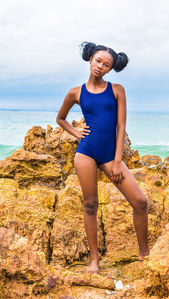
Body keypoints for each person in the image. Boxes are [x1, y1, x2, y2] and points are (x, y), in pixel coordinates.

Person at [56, 41, 150, 274]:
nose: (100, 66)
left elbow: (120, 125)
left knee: (140, 202)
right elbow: (61, 118)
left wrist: (117, 161)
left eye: (106, 65)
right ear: (90, 60)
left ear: (110, 69)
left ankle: (144, 254)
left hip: (110, 155)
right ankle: (94, 260)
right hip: (86, 152)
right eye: (98, 61)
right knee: (90, 205)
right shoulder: (75, 92)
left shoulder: (117, 90)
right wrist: (77, 133)